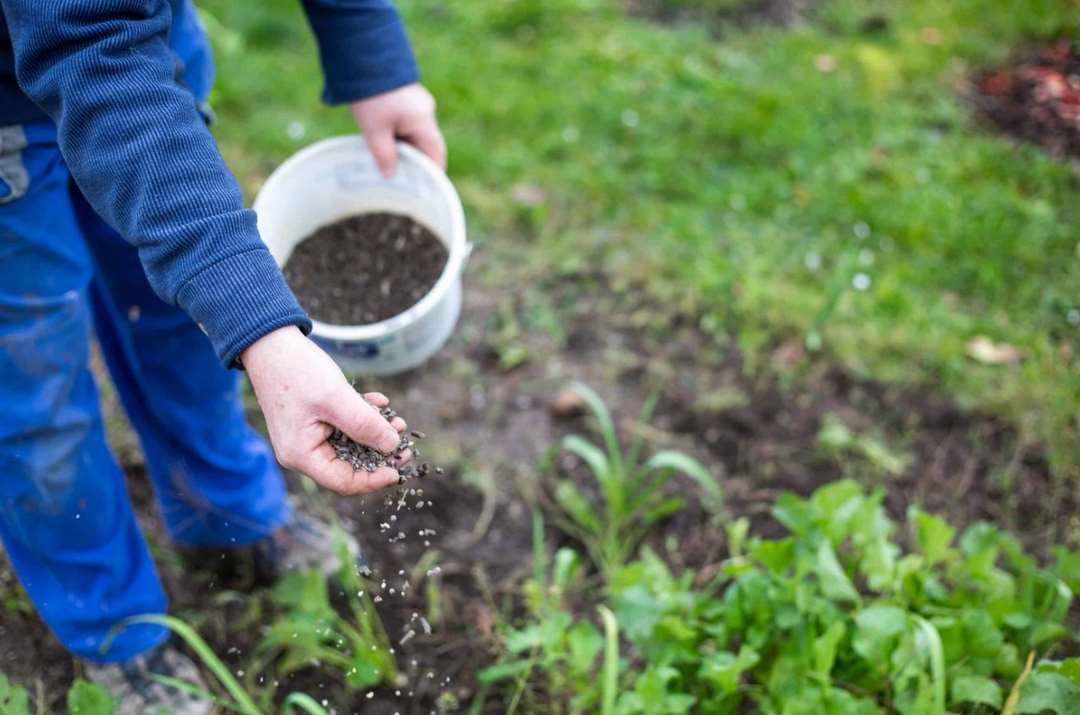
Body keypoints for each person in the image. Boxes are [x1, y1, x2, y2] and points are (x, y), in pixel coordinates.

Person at [0, 0, 445, 711]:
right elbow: (90, 46)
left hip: (146, 41)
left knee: (181, 316)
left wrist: (369, 52)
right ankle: (117, 628)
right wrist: (264, 330)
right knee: (33, 391)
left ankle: (225, 513)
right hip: (26, 102)